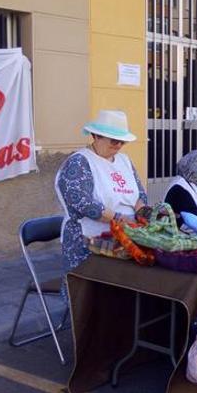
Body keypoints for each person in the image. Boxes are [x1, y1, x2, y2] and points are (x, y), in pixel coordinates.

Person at [56, 110, 147, 299]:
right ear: (96, 136)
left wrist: (143, 214)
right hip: (87, 240)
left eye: (122, 141)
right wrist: (118, 219)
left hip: (125, 237)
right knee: (92, 296)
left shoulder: (124, 161)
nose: (118, 145)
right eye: (114, 140)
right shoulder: (79, 162)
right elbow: (82, 202)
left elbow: (139, 194)